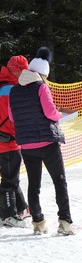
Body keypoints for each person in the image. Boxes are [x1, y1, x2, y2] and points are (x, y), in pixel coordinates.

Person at [9, 47, 75, 235]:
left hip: (27, 145)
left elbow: (13, 118)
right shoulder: (41, 87)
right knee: (59, 181)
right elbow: (50, 113)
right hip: (47, 142)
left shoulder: (15, 90)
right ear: (43, 74)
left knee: (34, 184)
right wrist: (60, 114)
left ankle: (38, 222)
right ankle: (65, 222)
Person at [0, 56, 30, 227]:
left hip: (6, 141)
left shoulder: (4, 85)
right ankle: (8, 215)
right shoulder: (11, 90)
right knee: (9, 180)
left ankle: (21, 208)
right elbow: (12, 120)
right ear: (14, 69)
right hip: (8, 142)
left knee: (11, 178)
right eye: (22, 70)